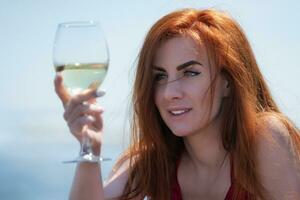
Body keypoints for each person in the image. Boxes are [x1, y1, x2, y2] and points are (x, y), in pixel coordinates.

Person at [54, 8, 300, 200]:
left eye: (190, 73)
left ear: (228, 82)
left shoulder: (265, 139)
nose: (170, 92)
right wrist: (89, 145)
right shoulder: (152, 162)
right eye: (160, 76)